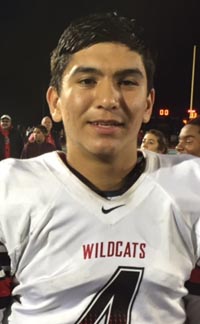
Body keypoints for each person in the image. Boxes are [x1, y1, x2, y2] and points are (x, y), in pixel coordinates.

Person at [0, 11, 200, 324]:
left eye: (127, 82)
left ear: (148, 104)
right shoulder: (9, 189)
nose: (108, 98)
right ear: (55, 103)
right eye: (87, 80)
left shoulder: (191, 185)